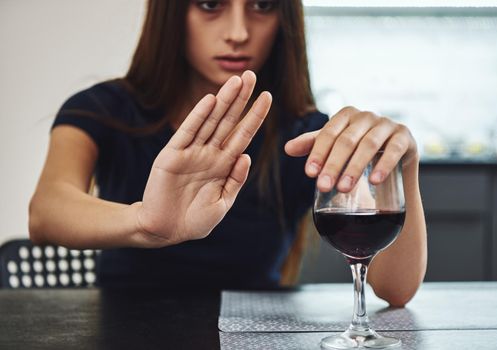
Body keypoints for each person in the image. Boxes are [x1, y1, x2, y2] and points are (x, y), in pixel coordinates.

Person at [29, 0, 426, 306]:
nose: (238, 32)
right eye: (210, 4)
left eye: (263, 6)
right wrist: (144, 222)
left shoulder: (304, 133)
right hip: (122, 327)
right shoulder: (101, 108)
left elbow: (395, 291)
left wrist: (402, 165)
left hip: (263, 333)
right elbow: (46, 211)